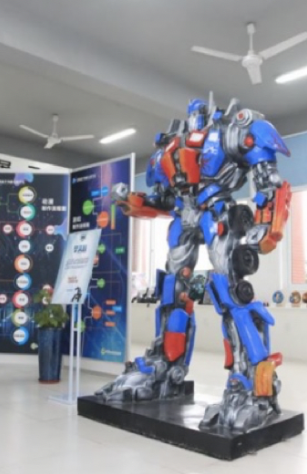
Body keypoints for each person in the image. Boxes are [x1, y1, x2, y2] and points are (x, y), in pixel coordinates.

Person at [95, 96, 292, 432]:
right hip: (183, 218)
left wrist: (266, 218)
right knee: (173, 292)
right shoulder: (171, 147)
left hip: (218, 213)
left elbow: (267, 177)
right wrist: (133, 200)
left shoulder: (232, 129)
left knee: (230, 292)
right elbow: (164, 198)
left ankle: (250, 380)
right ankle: (164, 366)